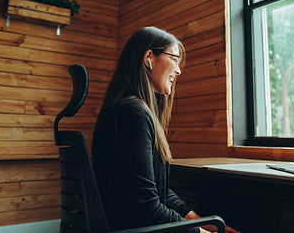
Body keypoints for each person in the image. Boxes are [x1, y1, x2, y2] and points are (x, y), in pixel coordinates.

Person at [92, 27, 239, 233]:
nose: (178, 70)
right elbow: (146, 207)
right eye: (175, 59)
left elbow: (160, 193)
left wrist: (209, 226)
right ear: (149, 58)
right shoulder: (132, 113)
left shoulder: (127, 109)